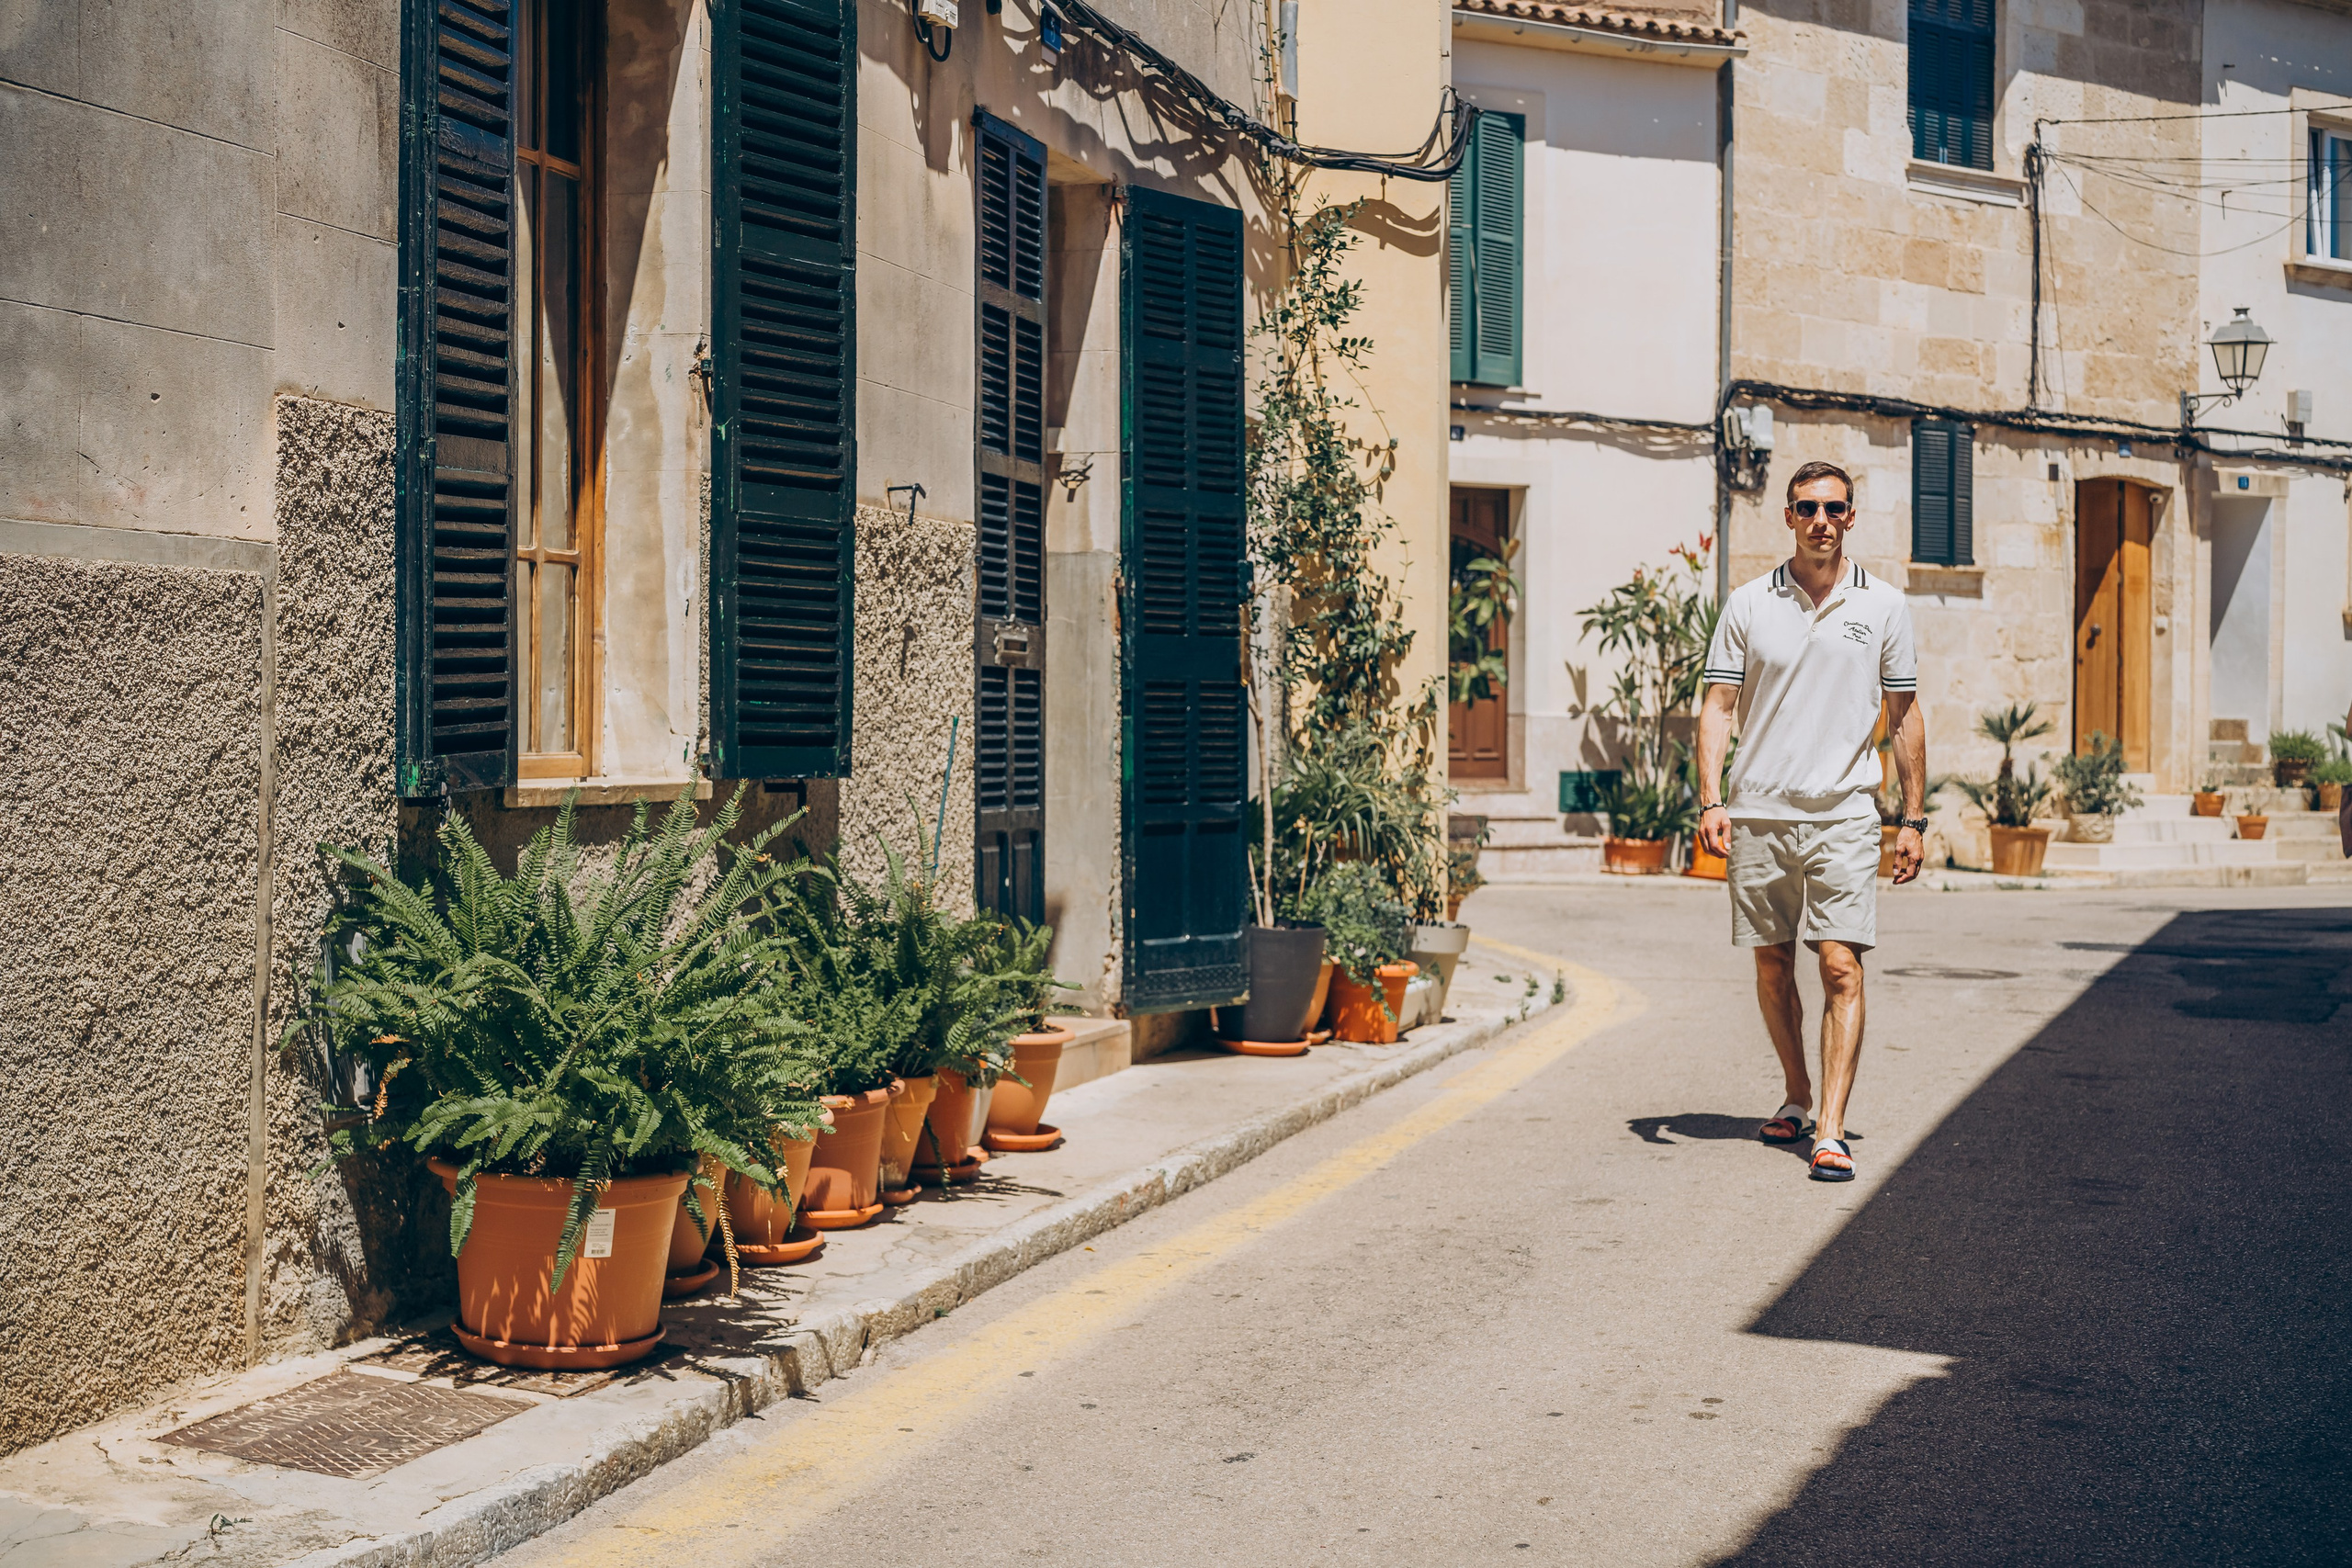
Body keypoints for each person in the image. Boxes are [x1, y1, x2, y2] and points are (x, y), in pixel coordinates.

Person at [1692, 460, 1928, 1183]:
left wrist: (1913, 816)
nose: (1820, 518)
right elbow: (1718, 707)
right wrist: (1711, 798)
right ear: (1788, 516)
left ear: (1851, 516)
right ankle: (1797, 1090)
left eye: (1834, 507)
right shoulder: (1748, 603)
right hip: (1759, 811)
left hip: (1846, 814)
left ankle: (1828, 1128)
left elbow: (1904, 714)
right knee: (1771, 964)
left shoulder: (1884, 605)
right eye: (1806, 507)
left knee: (1838, 966)